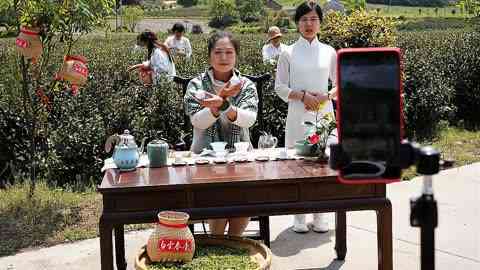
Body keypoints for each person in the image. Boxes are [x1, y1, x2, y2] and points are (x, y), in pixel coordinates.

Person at [184, 31, 258, 236]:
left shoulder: (246, 85)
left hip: (240, 155)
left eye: (229, 52)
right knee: (216, 202)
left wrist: (223, 104)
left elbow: (249, 118)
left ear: (236, 56)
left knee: (243, 203)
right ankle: (218, 242)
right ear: (209, 56)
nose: (223, 58)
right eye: (218, 52)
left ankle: (235, 242)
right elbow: (197, 120)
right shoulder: (196, 85)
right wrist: (221, 101)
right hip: (204, 157)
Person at [274, 1, 338, 233]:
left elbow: (339, 84)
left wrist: (326, 95)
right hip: (298, 113)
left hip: (323, 113)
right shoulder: (288, 53)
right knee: (298, 163)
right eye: (304, 20)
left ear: (320, 22)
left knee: (322, 164)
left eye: (313, 19)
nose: (309, 24)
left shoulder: (329, 52)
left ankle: (320, 215)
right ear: (297, 23)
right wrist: (301, 96)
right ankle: (299, 216)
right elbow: (279, 87)